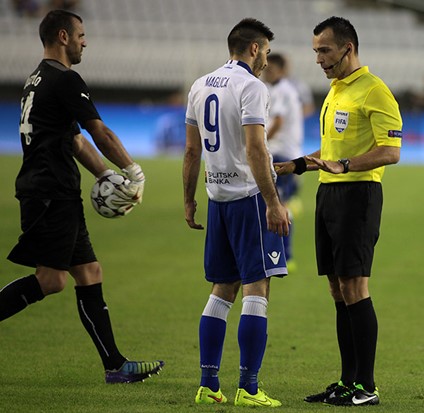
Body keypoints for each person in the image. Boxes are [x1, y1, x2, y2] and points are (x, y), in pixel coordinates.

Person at [0, 10, 164, 383]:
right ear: (63, 36)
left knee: (89, 272)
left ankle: (115, 366)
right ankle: (115, 365)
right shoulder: (65, 79)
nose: (84, 42)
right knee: (51, 279)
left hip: (56, 191)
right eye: (81, 35)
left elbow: (74, 140)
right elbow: (99, 131)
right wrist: (133, 171)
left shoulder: (36, 80)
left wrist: (106, 174)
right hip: (49, 193)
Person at [274, 16, 402, 406]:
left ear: (348, 48)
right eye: (315, 51)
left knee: (355, 287)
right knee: (336, 288)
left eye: (324, 50)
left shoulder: (375, 91)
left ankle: (367, 385)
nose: (318, 59)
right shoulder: (335, 91)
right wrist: (295, 164)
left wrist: (345, 167)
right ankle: (347, 381)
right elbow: (330, 153)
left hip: (358, 196)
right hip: (328, 196)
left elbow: (391, 151)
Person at [183, 18, 289, 408]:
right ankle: (248, 386)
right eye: (266, 52)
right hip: (248, 199)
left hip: (217, 199)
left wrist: (188, 199)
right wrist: (274, 202)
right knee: (257, 288)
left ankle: (208, 384)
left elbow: (192, 151)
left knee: (221, 290)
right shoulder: (251, 87)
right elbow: (256, 149)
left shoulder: (199, 85)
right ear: (255, 49)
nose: (266, 61)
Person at [262, 52, 304, 271]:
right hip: (288, 151)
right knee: (279, 204)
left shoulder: (281, 90)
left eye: (269, 69)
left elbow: (277, 122)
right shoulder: (286, 89)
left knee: (278, 206)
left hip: (281, 153)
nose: (266, 73)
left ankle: (284, 255)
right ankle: (282, 254)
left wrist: (258, 144)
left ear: (278, 69)